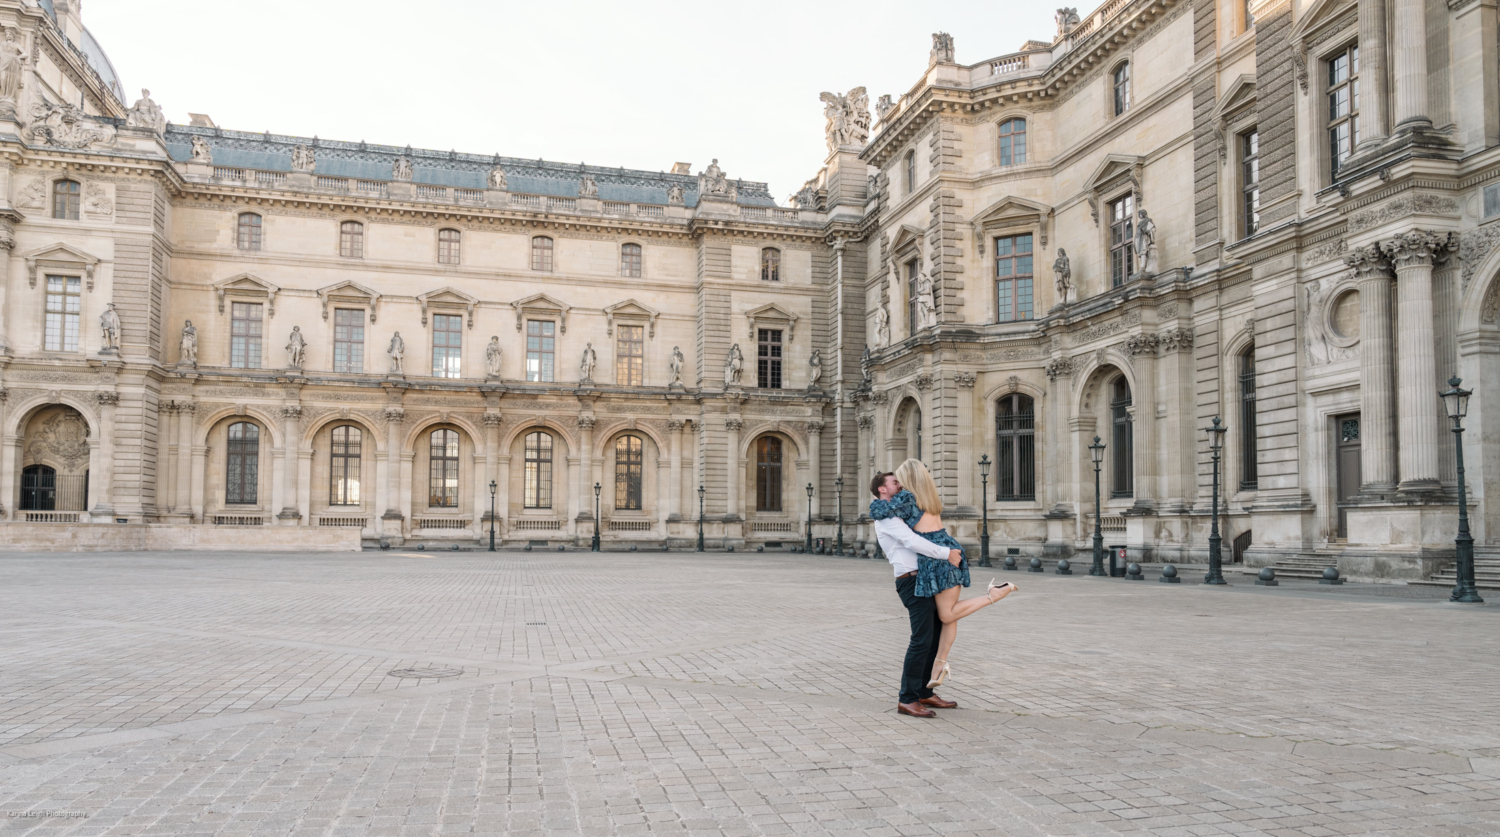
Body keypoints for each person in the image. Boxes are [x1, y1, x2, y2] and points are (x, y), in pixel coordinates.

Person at [872, 459, 1014, 693]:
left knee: (943, 619)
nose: (899, 486)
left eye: (900, 480)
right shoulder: (928, 499)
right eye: (894, 482)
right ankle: (935, 673)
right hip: (946, 554)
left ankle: (992, 595)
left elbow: (886, 514)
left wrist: (878, 503)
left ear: (908, 480)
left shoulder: (907, 500)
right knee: (945, 620)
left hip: (936, 561)